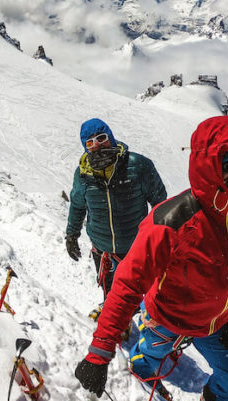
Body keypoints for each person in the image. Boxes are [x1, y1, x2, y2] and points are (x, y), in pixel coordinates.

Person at [73, 115, 228, 401]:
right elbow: (127, 286)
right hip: (168, 317)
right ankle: (142, 365)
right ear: (210, 165)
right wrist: (99, 353)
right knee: (146, 365)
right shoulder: (171, 221)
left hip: (218, 324)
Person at [65, 118, 167, 314]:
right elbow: (77, 206)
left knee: (142, 292)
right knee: (110, 290)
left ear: (110, 137)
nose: (97, 145)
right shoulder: (83, 174)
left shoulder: (138, 166)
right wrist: (71, 235)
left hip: (136, 248)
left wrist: (163, 239)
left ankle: (138, 318)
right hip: (103, 251)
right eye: (90, 143)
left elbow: (160, 205)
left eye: (102, 138)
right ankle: (114, 312)